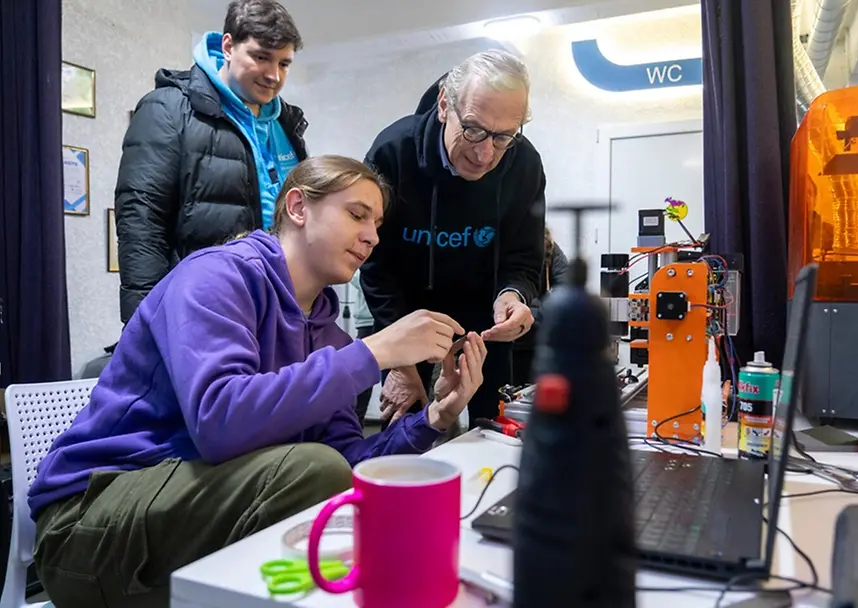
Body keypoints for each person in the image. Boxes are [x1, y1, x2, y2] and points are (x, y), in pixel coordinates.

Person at [28, 156, 487, 608]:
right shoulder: (215, 277)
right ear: (298, 207)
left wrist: (434, 417)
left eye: (378, 224)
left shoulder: (331, 336)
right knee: (315, 474)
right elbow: (219, 423)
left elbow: (347, 466)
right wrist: (374, 353)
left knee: (333, 488)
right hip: (87, 526)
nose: (372, 236)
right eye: (356, 214)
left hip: (191, 517)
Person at [360, 49, 546, 426]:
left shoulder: (524, 165)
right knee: (403, 431)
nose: (484, 153)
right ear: (446, 104)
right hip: (405, 315)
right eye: (474, 129)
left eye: (503, 136)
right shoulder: (394, 152)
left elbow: (523, 257)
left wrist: (513, 295)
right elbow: (375, 263)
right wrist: (402, 363)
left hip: (483, 326)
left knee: (491, 431)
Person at [115, 0, 309, 324]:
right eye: (261, 57)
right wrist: (147, 326)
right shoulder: (169, 109)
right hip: (201, 310)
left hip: (277, 308)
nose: (274, 75)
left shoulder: (287, 123)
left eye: (284, 63)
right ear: (229, 46)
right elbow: (141, 221)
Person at [511, 227, 570, 386]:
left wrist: (534, 312)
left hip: (531, 339)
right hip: (509, 339)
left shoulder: (549, 247)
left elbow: (565, 289)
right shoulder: (502, 245)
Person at [349, 270, 377, 425]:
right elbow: (355, 277)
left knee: (398, 378)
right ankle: (354, 424)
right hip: (367, 321)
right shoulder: (366, 256)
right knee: (362, 378)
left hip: (395, 320)